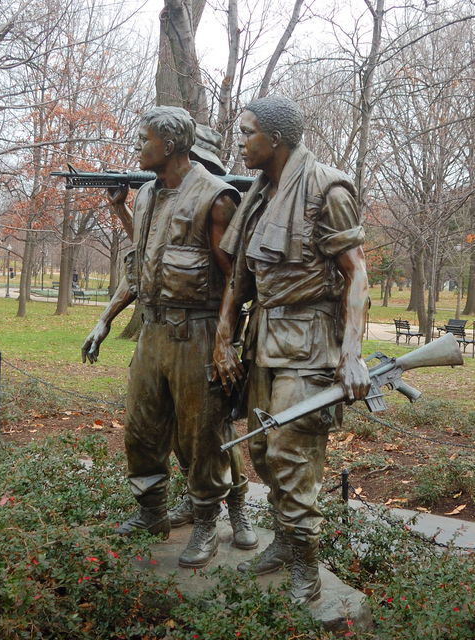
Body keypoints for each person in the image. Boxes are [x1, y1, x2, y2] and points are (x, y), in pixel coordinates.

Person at [81, 106, 257, 568]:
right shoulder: (145, 196)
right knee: (142, 429)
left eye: (143, 139)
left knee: (202, 437)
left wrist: (224, 342)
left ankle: (206, 524)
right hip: (153, 332)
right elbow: (141, 266)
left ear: (171, 145)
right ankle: (152, 512)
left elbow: (236, 281)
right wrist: (104, 320)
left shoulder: (215, 198)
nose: (137, 148)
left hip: (196, 332)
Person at [213, 95, 370, 604]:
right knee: (261, 445)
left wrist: (351, 353)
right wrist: (223, 337)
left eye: (246, 132)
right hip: (264, 339)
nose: (239, 141)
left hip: (309, 342)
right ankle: (285, 541)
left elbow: (357, 273)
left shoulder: (327, 186)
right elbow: (241, 275)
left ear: (274, 139)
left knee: (290, 452)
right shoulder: (258, 193)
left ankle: (307, 563)